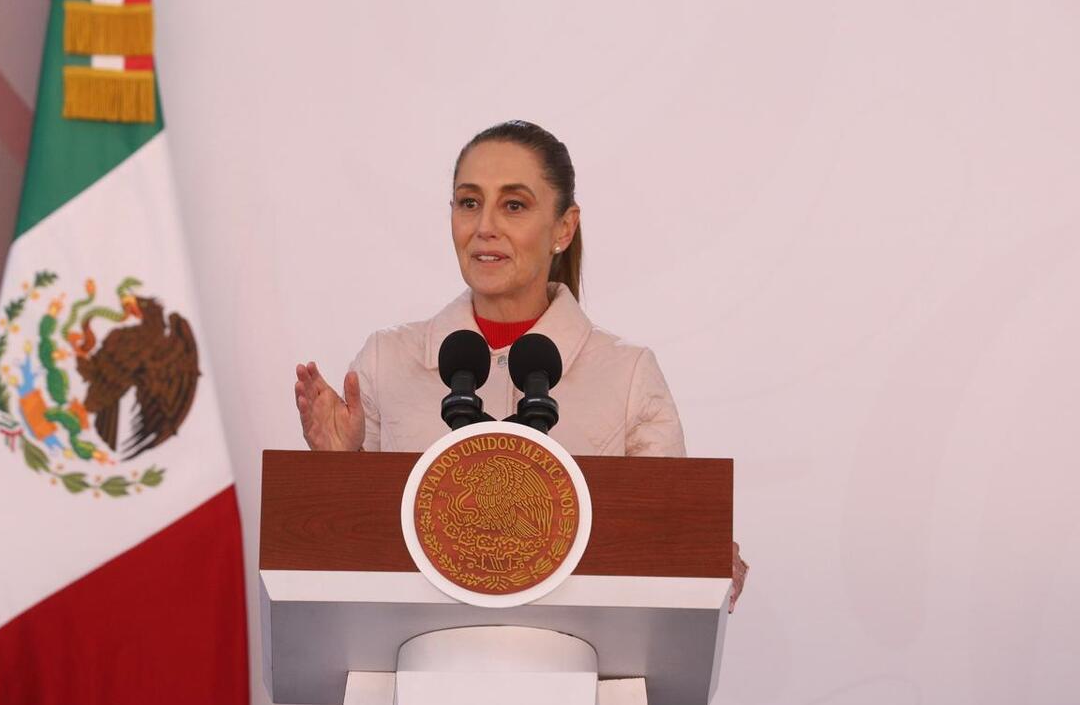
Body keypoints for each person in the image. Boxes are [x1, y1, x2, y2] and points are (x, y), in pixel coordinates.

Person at [294, 120, 748, 608]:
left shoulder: (627, 376)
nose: (485, 226)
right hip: (423, 666)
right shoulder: (387, 363)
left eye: (514, 205)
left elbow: (662, 553)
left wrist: (696, 559)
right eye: (469, 203)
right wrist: (339, 466)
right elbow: (350, 564)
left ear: (563, 228)